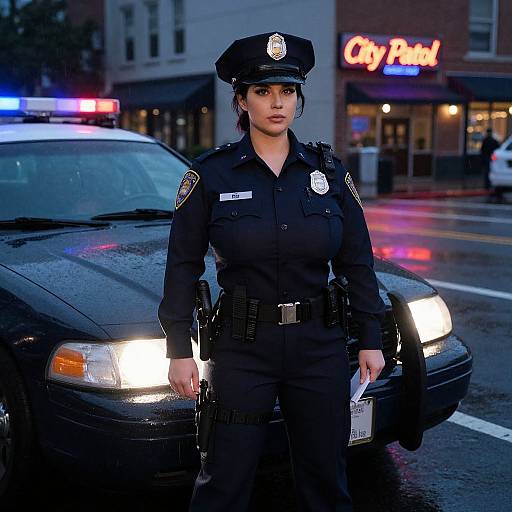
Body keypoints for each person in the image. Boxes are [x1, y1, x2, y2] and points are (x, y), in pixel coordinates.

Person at [158, 31, 386, 512]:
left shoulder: (329, 174)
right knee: (224, 480)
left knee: (327, 480)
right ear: (242, 100)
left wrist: (371, 337)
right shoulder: (211, 176)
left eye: (287, 92)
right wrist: (179, 349)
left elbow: (356, 262)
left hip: (319, 347)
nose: (276, 104)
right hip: (244, 350)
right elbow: (181, 265)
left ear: (299, 100)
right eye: (262, 92)